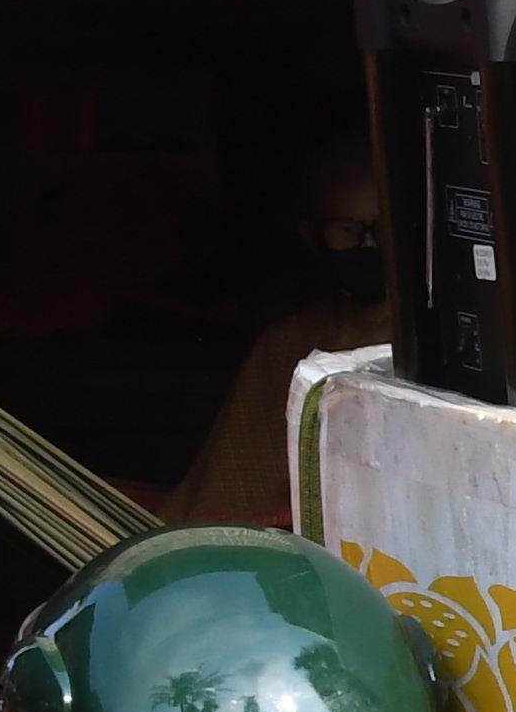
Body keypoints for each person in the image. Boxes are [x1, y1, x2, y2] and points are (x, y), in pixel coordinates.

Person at [166, 142, 395, 531]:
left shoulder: (424, 350)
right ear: (312, 234)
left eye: (382, 231)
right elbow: (227, 488)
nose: (367, 246)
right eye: (348, 230)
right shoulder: (286, 342)